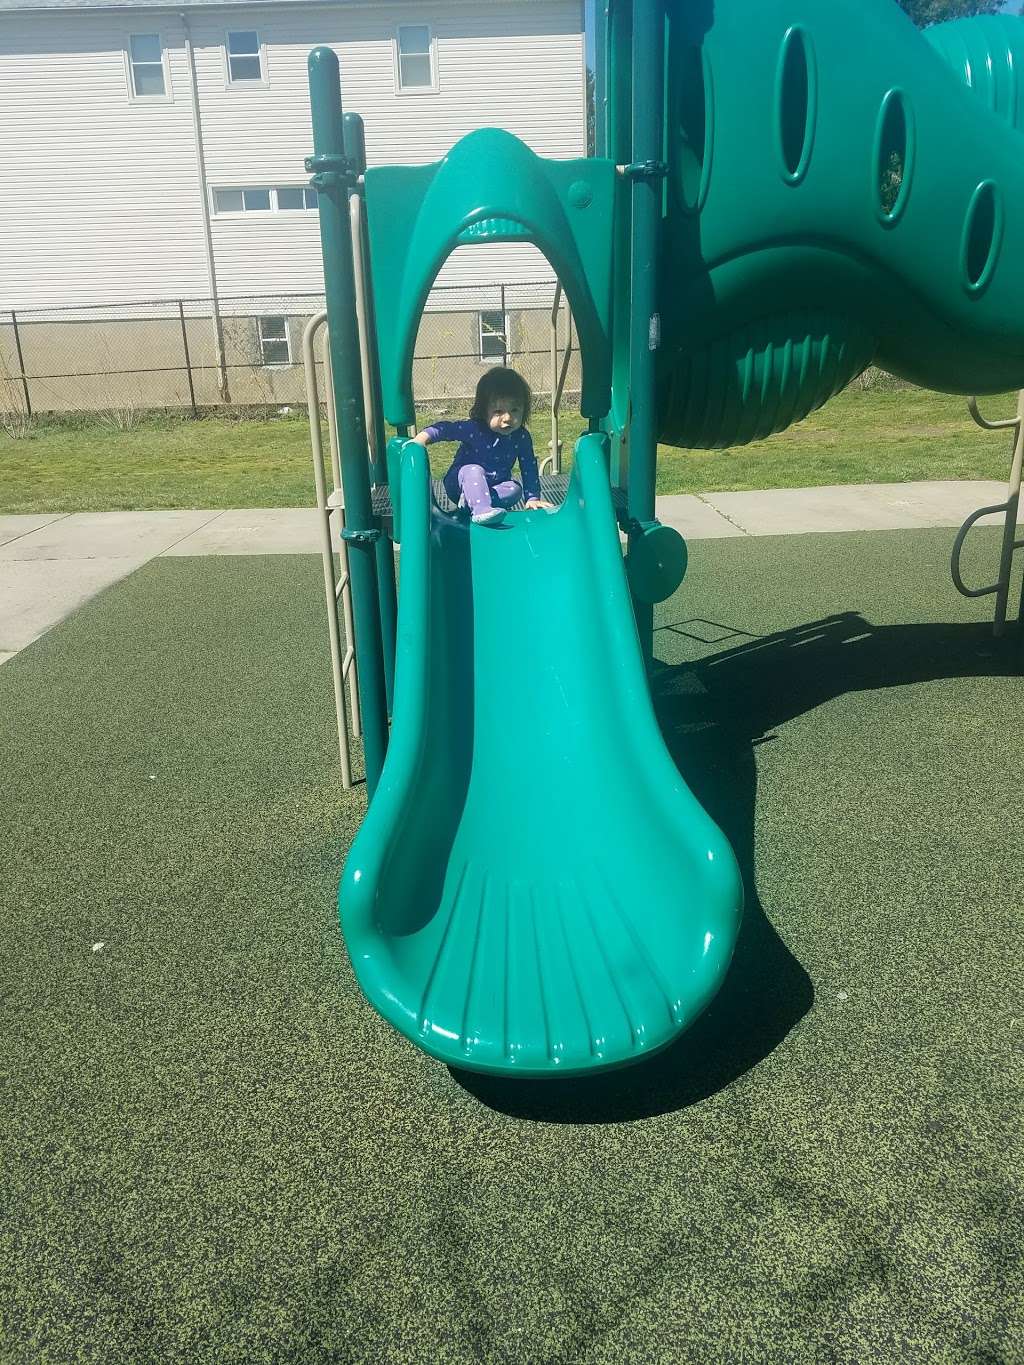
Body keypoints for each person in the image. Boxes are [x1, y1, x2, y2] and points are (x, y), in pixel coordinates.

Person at [411, 367, 555, 525]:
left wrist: (532, 498)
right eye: (498, 411)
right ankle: (481, 511)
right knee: (473, 469)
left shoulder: (521, 436)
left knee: (515, 489)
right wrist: (422, 438)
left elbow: (528, 466)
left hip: (494, 487)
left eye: (515, 410)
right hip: (459, 483)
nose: (507, 418)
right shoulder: (475, 429)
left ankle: (471, 502)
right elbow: (447, 429)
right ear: (484, 411)